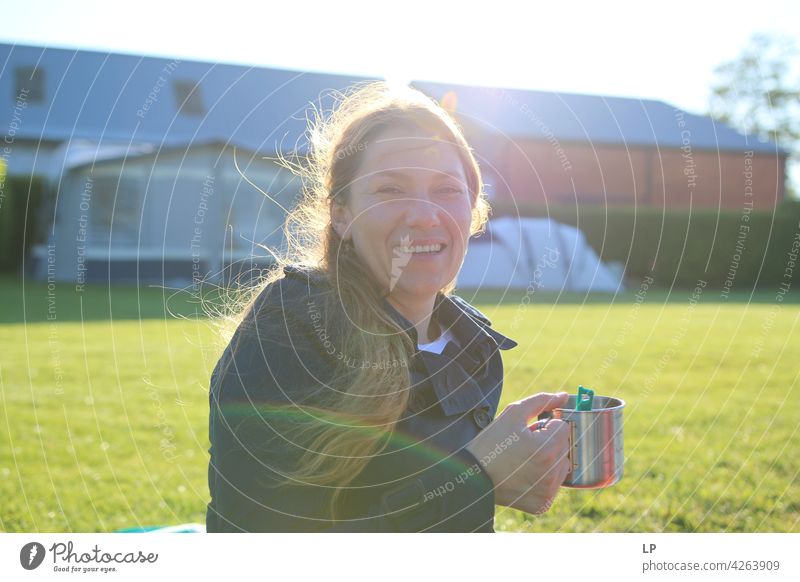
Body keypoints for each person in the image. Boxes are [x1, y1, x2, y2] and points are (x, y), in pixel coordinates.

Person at [206, 81, 571, 532]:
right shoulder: (290, 329)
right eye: (391, 189)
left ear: (473, 212)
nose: (423, 214)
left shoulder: (473, 347)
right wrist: (480, 479)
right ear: (341, 213)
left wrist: (518, 459)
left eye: (447, 190)